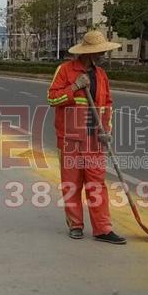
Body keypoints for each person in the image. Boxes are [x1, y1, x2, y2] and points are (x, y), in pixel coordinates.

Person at [47, 30, 126, 245]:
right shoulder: (65, 70)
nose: (101, 56)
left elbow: (107, 104)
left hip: (94, 138)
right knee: (72, 183)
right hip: (71, 138)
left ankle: (102, 229)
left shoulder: (101, 75)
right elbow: (52, 98)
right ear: (87, 53)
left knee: (97, 183)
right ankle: (75, 225)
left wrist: (107, 130)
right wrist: (74, 87)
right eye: (98, 52)